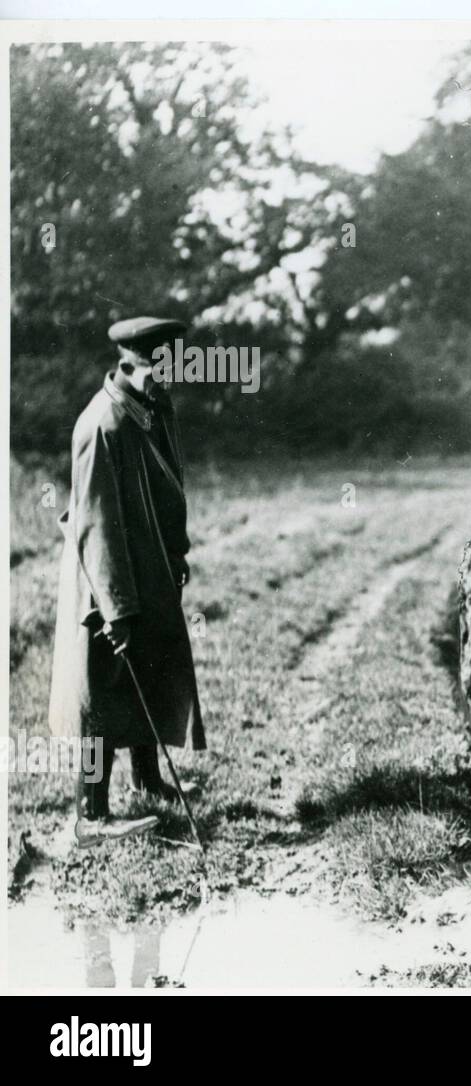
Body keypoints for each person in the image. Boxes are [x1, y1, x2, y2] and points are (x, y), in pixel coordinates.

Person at [48, 316, 205, 848]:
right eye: (155, 368)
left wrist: (177, 550)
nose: (165, 378)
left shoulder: (153, 409)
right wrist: (117, 608)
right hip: (106, 581)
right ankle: (90, 816)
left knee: (150, 667)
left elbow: (170, 484)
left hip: (150, 568)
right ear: (126, 365)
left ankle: (147, 779)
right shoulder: (100, 426)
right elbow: (94, 527)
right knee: (103, 689)